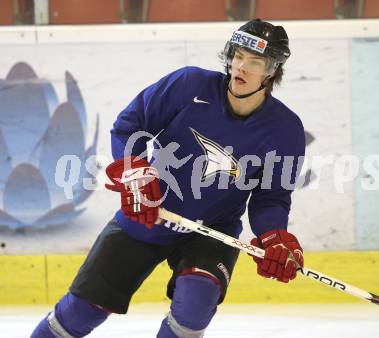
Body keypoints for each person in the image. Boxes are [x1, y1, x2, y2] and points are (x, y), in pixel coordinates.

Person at [30, 18, 306, 338]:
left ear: (271, 71)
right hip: (150, 213)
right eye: (237, 55)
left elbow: (270, 196)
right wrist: (134, 171)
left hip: (211, 231)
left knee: (195, 304)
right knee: (80, 313)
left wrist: (274, 235)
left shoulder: (284, 129)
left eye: (254, 61)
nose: (241, 67)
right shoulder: (188, 86)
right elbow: (128, 127)